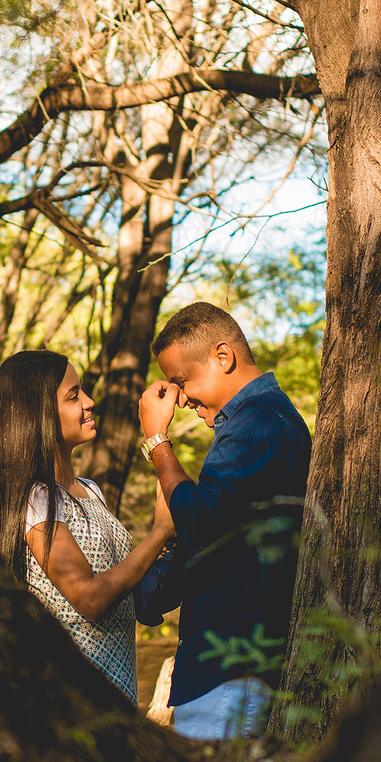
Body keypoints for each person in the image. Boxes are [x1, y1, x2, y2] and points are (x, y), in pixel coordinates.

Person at [137, 301, 311, 739]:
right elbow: (212, 538)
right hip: (217, 670)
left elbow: (199, 524)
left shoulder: (259, 420)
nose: (179, 397)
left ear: (222, 356)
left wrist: (157, 440)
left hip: (231, 670)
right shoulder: (247, 424)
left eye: (182, 380)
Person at [0, 349, 175, 702]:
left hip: (118, 693)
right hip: (72, 701)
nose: (89, 401)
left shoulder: (90, 491)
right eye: (73, 395)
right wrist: (159, 532)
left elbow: (122, 586)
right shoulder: (35, 499)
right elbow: (90, 598)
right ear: (38, 414)